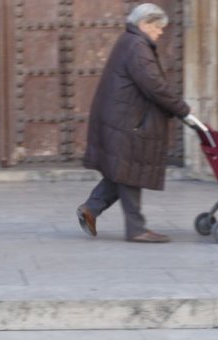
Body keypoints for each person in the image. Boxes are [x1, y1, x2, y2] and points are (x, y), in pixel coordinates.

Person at [77, 3, 196, 243]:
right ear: (144, 24)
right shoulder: (137, 46)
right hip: (127, 121)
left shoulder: (130, 42)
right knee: (130, 170)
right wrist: (182, 110)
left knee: (122, 169)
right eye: (157, 27)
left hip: (122, 118)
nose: (160, 32)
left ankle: (91, 208)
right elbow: (154, 85)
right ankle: (136, 229)